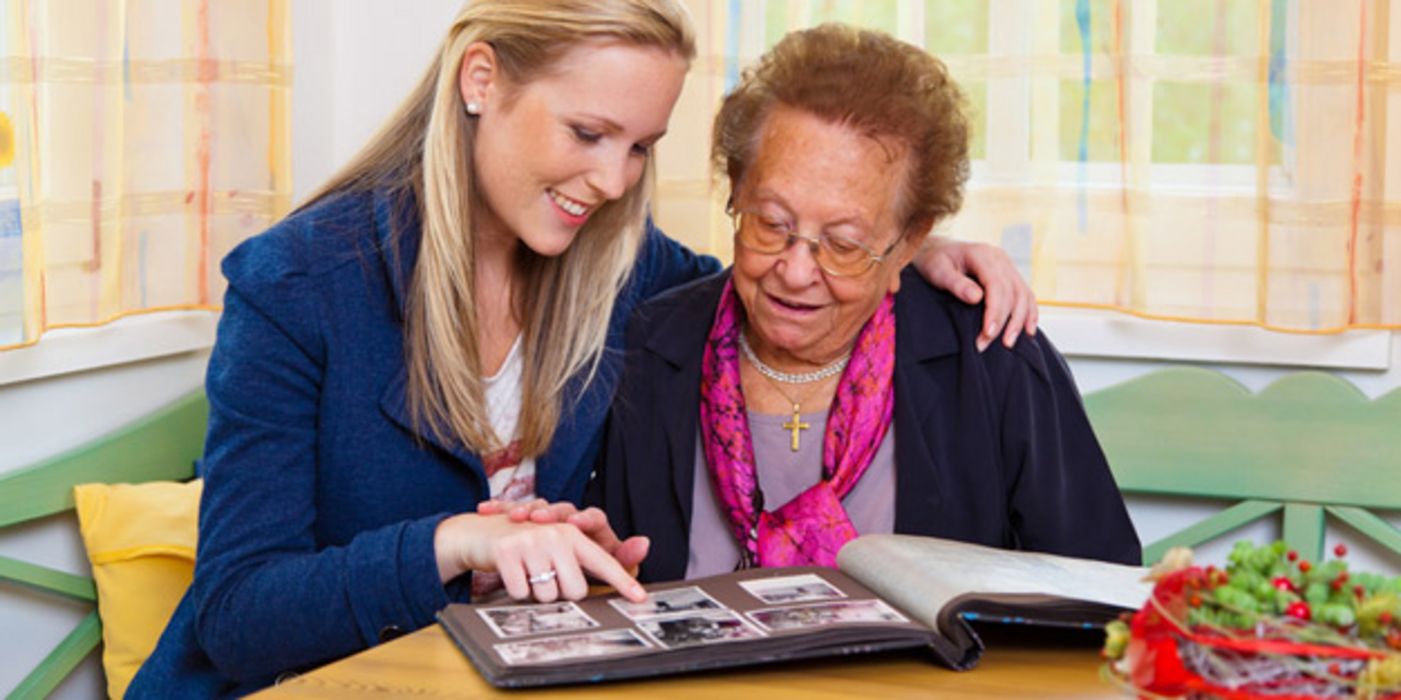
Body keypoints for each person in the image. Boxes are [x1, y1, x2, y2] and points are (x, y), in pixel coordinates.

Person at [129, 1, 1039, 696]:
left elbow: (773, 276)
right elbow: (239, 616)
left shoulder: (622, 267)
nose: (611, 182)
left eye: (641, 147)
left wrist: (903, 255)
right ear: (479, 80)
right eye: (588, 133)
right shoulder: (299, 286)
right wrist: (456, 543)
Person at [541, 23, 1141, 581]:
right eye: (770, 223)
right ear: (736, 193)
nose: (796, 271)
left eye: (845, 244)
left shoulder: (991, 354)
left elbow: (1095, 594)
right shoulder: (654, 347)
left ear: (910, 239)